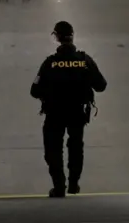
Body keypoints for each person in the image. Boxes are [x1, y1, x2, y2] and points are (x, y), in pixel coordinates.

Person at [31, 21, 107, 198]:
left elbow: (34, 91)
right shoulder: (84, 61)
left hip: (54, 113)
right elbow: (101, 85)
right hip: (77, 112)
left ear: (56, 37)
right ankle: (74, 184)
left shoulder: (50, 63)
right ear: (72, 36)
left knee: (53, 149)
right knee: (75, 147)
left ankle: (59, 186)